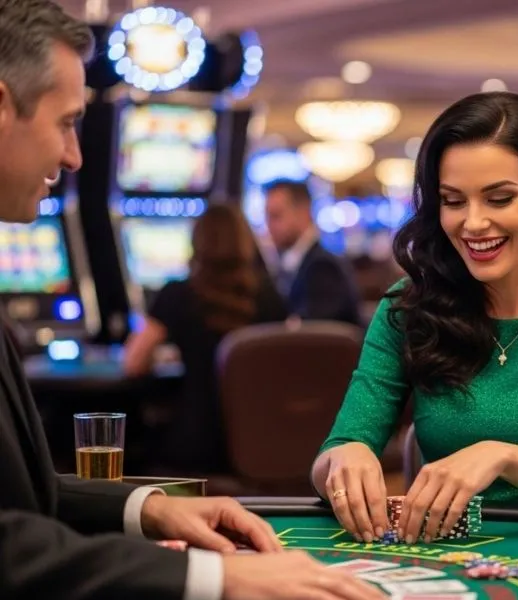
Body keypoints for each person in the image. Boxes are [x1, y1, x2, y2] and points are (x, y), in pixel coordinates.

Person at [0, 1, 384, 599]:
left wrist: (151, 506)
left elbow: (22, 497)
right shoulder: (265, 289)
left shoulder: (182, 294)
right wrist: (213, 577)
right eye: (67, 121)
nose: (75, 156)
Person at [311, 91, 518, 544]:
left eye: (498, 199)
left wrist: (504, 457)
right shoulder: (411, 305)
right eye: (453, 201)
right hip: (449, 557)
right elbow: (329, 457)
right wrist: (345, 456)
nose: (473, 223)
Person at [124, 204, 287, 473]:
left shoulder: (178, 293)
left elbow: (133, 362)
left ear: (196, 243)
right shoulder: (270, 296)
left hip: (195, 445)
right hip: (261, 443)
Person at [264, 180, 362, 325]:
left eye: (276, 216)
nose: (269, 226)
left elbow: (311, 339)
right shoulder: (295, 261)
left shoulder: (324, 267)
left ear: (303, 212)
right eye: (267, 217)